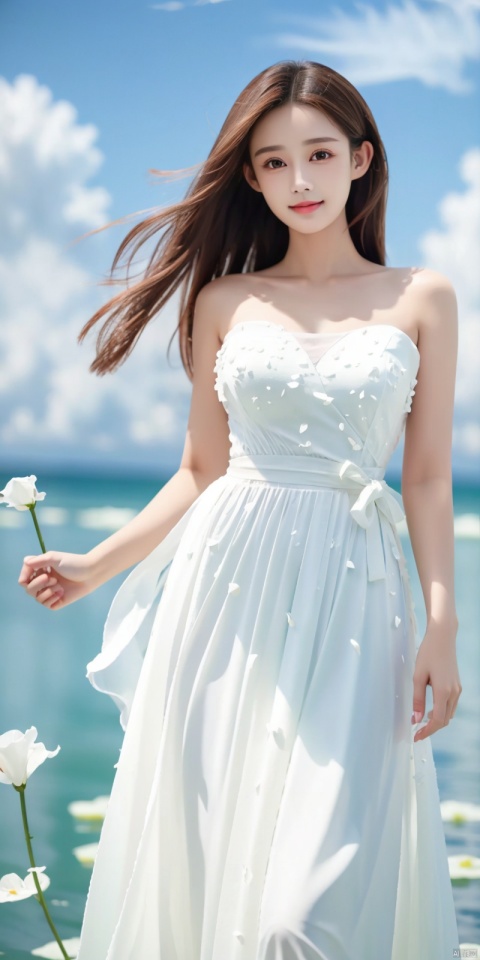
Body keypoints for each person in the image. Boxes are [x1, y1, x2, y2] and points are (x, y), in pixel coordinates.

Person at [18, 60, 461, 959]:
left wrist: (443, 627)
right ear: (251, 178)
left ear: (362, 160)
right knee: (212, 872)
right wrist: (94, 566)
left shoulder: (424, 297)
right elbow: (200, 470)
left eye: (319, 154)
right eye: (272, 163)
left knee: (302, 917)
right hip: (227, 600)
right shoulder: (225, 300)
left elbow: (425, 480)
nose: (298, 181)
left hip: (358, 601)